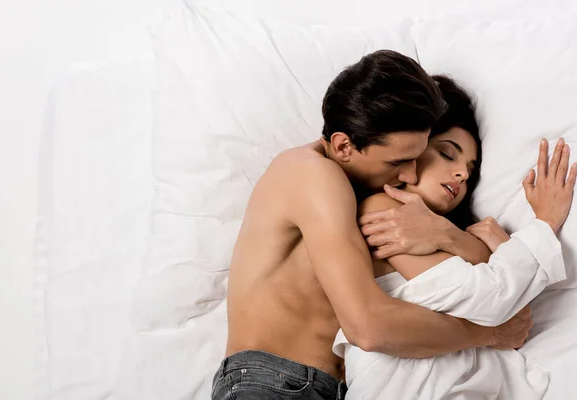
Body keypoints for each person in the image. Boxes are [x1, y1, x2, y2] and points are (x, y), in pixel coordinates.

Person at [212, 51, 536, 400]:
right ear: (343, 145)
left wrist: (447, 234)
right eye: (399, 161)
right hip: (272, 384)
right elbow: (368, 326)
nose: (409, 174)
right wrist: (487, 335)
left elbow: (476, 280)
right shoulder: (313, 176)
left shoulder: (361, 203)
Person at [334, 76, 577, 399]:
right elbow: (491, 299)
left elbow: (517, 320)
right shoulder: (383, 209)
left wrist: (454, 237)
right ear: (413, 151)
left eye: (470, 169)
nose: (462, 173)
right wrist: (544, 223)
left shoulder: (444, 235)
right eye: (448, 154)